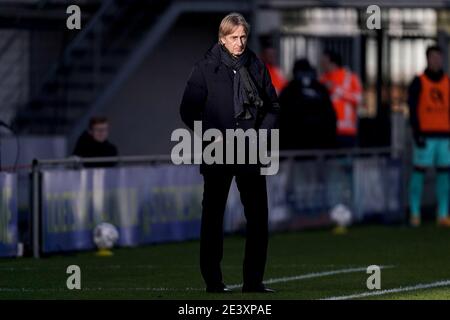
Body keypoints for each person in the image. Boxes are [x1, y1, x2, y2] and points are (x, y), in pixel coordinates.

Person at [179, 13, 279, 293]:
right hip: (217, 153)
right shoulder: (203, 69)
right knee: (212, 218)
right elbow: (188, 111)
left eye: (244, 36)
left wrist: (260, 135)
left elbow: (273, 106)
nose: (240, 42)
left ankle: (253, 282)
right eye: (234, 37)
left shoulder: (256, 66)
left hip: (250, 152)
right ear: (222, 39)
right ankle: (213, 282)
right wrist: (212, 137)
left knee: (258, 218)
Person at [408, 45, 450, 227]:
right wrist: (417, 133)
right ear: (427, 59)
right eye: (433, 57)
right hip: (425, 136)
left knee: (444, 174)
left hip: (445, 136)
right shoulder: (418, 81)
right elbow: (412, 109)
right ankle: (415, 213)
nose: (436, 60)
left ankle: (442, 214)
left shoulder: (448, 82)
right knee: (419, 173)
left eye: (439, 57)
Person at [279, 58, 337, 150]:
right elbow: (330, 116)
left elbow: (281, 117)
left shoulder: (289, 89)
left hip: (295, 142)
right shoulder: (320, 88)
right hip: (318, 142)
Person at [320, 50, 362, 148]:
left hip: (346, 131)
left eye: (324, 61)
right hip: (326, 130)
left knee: (345, 162)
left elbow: (358, 98)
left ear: (332, 62)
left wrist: (336, 89)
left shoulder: (351, 78)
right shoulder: (322, 79)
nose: (321, 64)